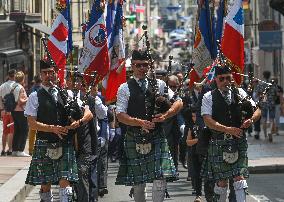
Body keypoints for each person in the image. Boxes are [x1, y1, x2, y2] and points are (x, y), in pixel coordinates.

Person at [115, 50, 183, 202]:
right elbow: (120, 114)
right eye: (138, 65)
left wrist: (166, 115)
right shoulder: (124, 88)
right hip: (135, 136)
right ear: (132, 66)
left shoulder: (159, 84)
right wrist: (140, 122)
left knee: (160, 179)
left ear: (149, 66)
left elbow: (179, 102)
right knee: (139, 183)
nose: (141, 68)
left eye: (145, 65)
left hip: (157, 136)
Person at [201, 65, 261, 202]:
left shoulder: (240, 93)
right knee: (222, 181)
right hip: (219, 140)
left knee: (239, 179)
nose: (225, 81)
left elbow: (257, 111)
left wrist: (250, 120)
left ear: (232, 78)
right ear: (215, 79)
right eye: (221, 79)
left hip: (238, 141)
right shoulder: (208, 96)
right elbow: (207, 120)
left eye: (228, 78)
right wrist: (227, 129)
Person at [25, 60, 80, 202]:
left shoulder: (66, 93)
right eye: (45, 73)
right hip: (44, 142)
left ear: (56, 73)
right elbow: (31, 123)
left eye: (51, 72)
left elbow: (82, 113)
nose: (48, 75)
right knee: (45, 185)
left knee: (65, 184)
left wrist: (76, 122)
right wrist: (51, 128)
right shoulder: (34, 96)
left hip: (64, 141)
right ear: (40, 75)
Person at [11, 71, 29, 157]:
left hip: (13, 111)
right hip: (21, 111)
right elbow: (20, 101)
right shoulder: (21, 88)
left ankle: (14, 150)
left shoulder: (13, 86)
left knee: (17, 130)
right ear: (22, 79)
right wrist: (28, 99)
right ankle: (21, 150)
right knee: (24, 130)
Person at [0, 69, 16, 156]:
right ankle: (10, 149)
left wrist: (2, 109)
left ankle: (3, 149)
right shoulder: (16, 86)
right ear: (14, 75)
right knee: (11, 131)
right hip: (13, 111)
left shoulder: (2, 86)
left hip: (5, 111)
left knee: (5, 131)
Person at [28, 74, 42, 155]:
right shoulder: (42, 88)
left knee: (32, 131)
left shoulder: (32, 89)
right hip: (40, 111)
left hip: (32, 111)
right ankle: (39, 148)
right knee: (40, 130)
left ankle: (31, 149)